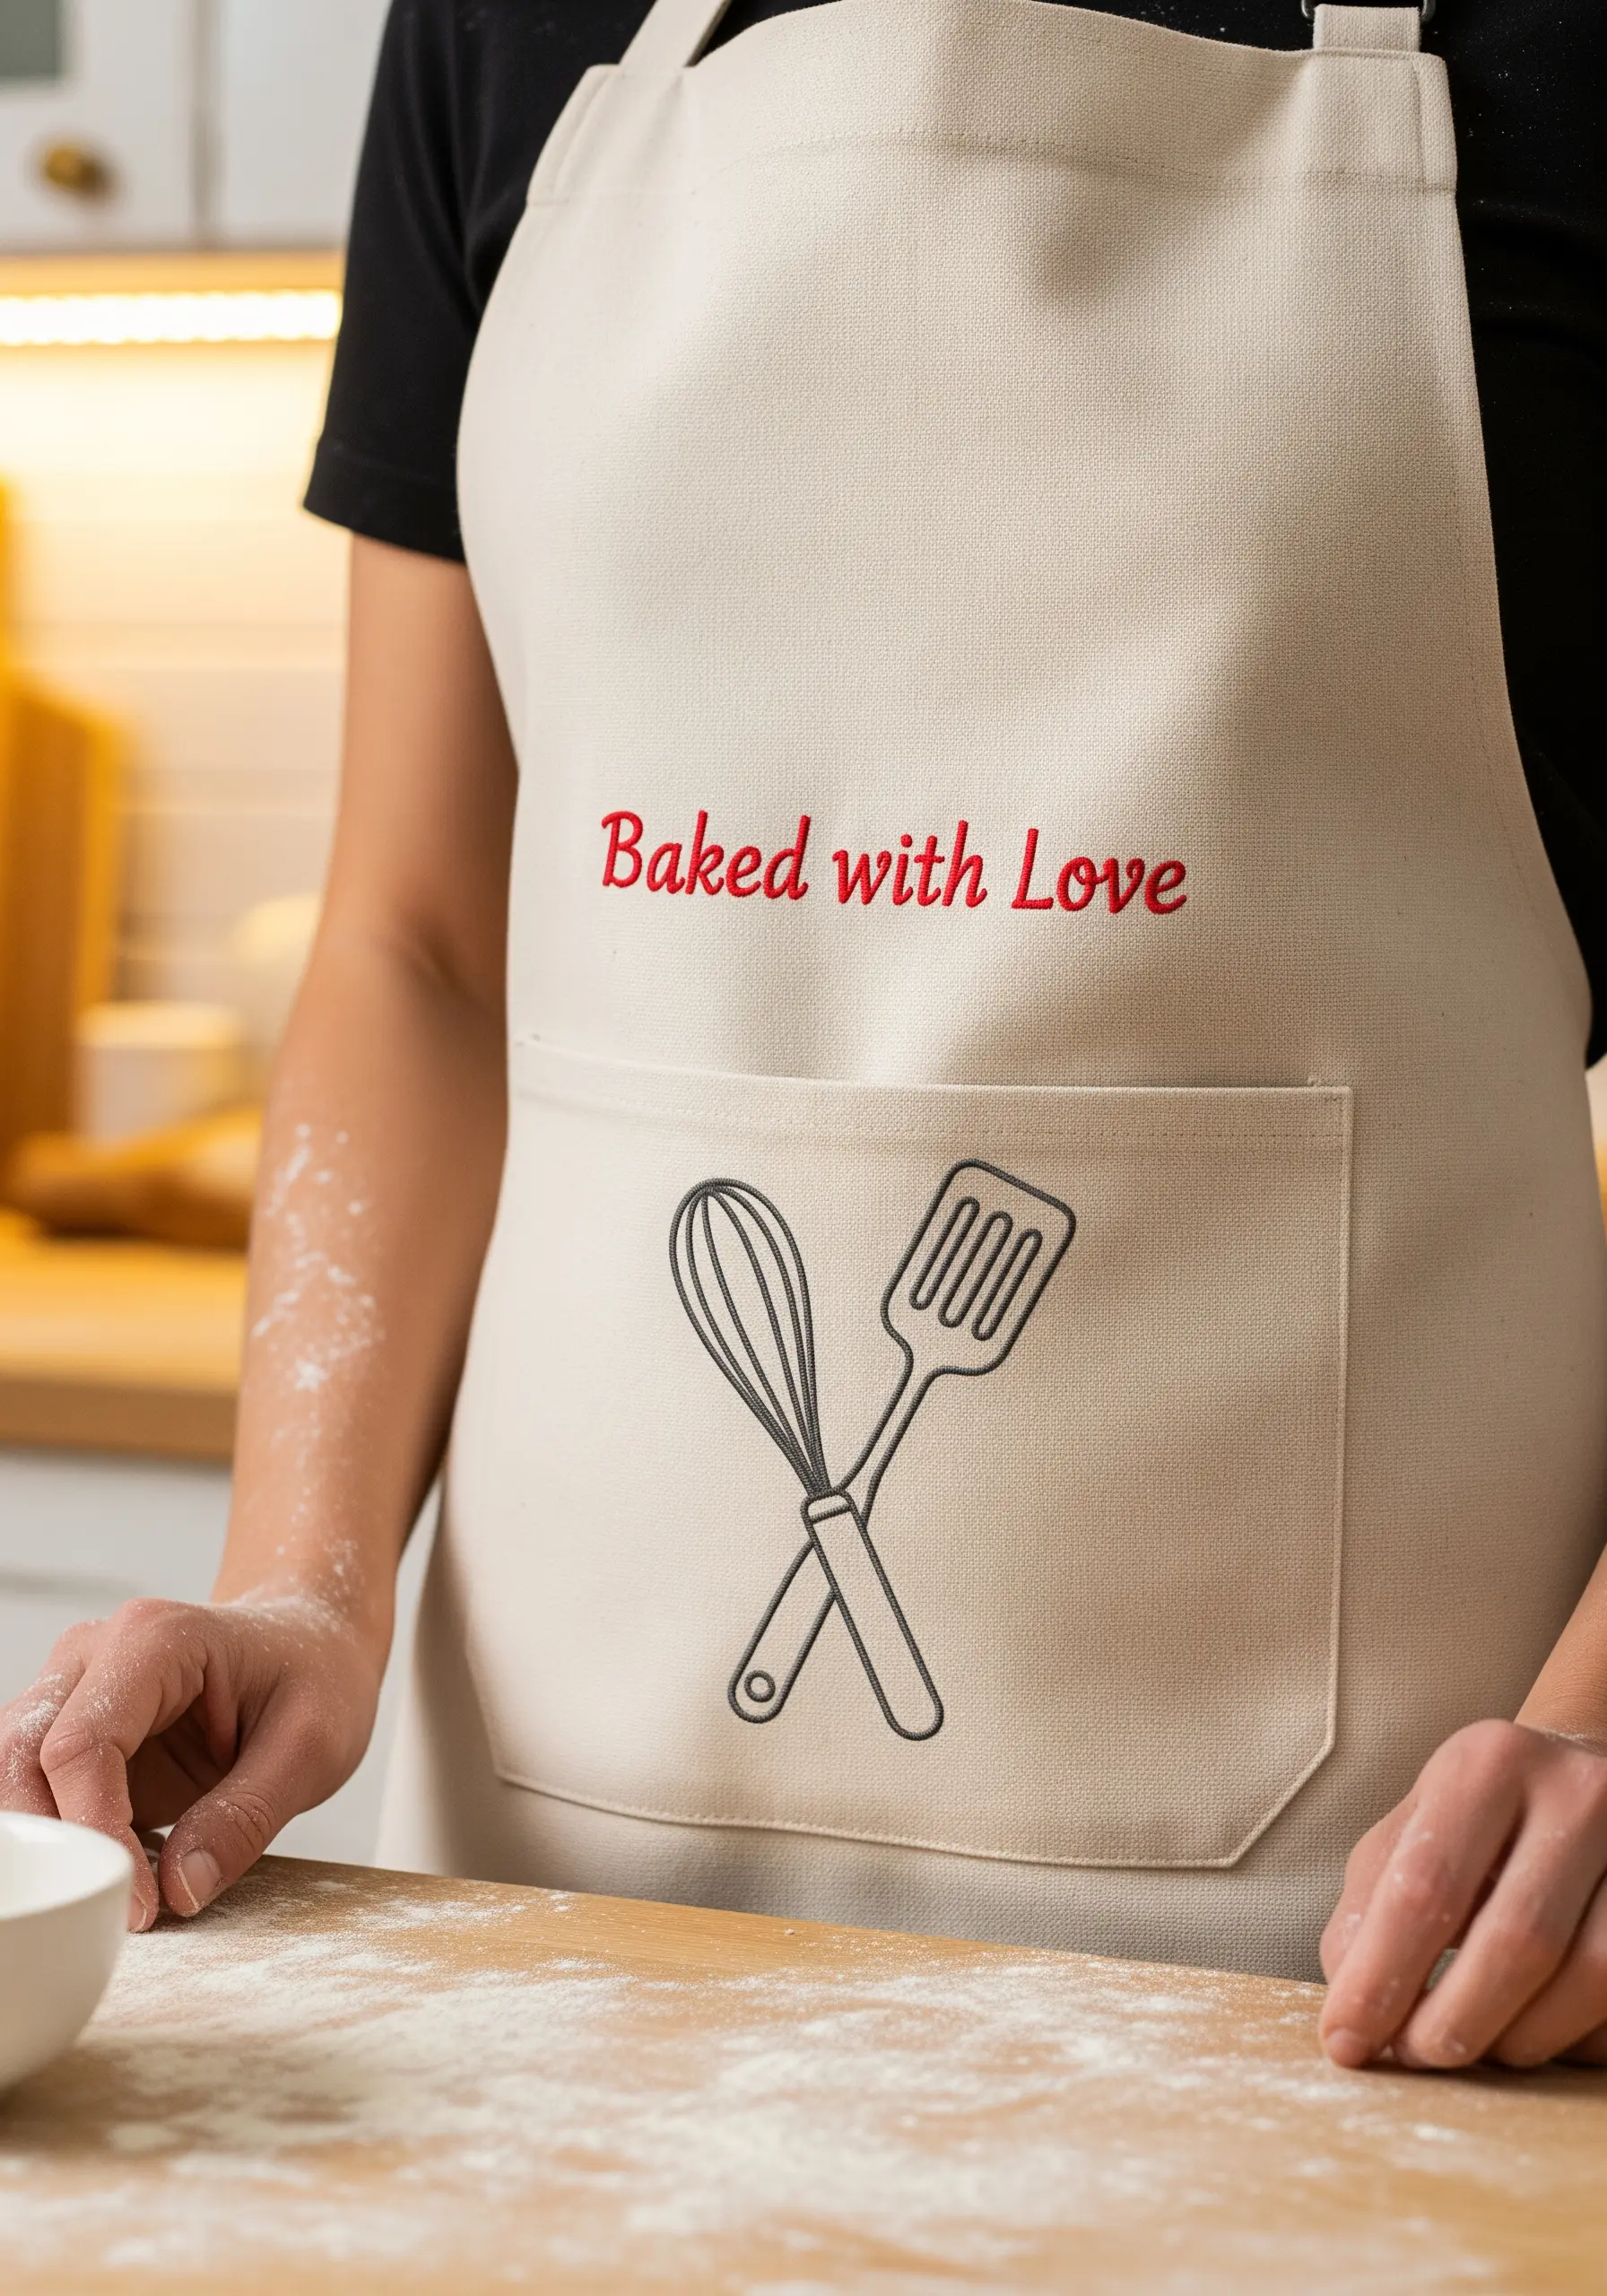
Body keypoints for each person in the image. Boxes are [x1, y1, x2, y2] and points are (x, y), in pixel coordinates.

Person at [4, 0, 1605, 2078]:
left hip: (1391, 1962)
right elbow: (419, 944)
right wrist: (300, 1582)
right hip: (551, 1951)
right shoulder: (503, 25)